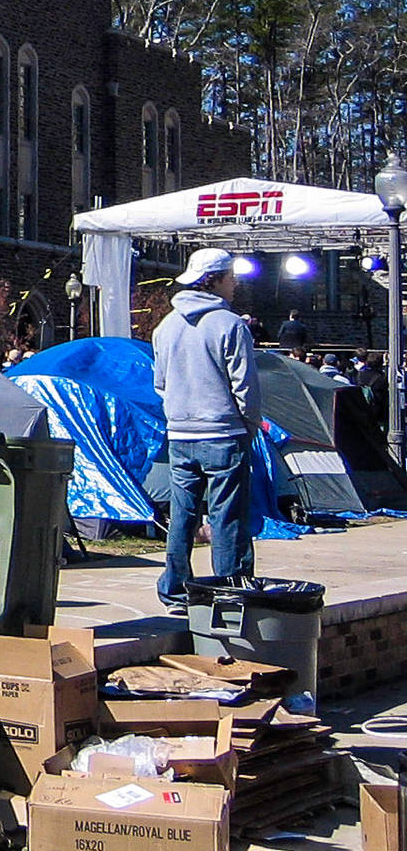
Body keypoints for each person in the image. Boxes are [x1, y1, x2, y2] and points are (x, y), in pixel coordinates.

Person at [153, 247, 260, 613]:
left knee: (182, 515)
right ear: (214, 281)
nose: (236, 284)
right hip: (223, 432)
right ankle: (229, 588)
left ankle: (175, 592)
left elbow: (160, 383)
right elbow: (244, 387)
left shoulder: (166, 326)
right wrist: (248, 426)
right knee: (227, 516)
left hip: (181, 435)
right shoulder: (230, 325)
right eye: (231, 278)